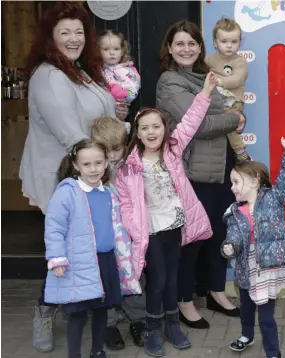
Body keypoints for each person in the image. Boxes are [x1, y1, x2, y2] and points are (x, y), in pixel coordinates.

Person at [21, 2, 126, 352]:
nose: (73, 38)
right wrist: (105, 156)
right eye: (64, 32)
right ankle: (45, 311)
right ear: (50, 37)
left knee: (89, 249)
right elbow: (70, 134)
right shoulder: (49, 76)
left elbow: (103, 115)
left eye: (79, 32)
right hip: (65, 180)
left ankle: (96, 311)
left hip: (93, 175)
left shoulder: (81, 71)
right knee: (66, 250)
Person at [116, 73, 218, 356]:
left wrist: (206, 91)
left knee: (172, 277)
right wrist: (134, 227)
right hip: (149, 230)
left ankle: (173, 324)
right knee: (158, 279)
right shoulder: (129, 166)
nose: (151, 132)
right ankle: (151, 328)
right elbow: (125, 203)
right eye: (144, 127)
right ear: (136, 132)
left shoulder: (172, 151)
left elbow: (191, 121)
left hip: (174, 224)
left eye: (156, 126)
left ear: (164, 128)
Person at [156, 20, 245, 329]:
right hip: (192, 172)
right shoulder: (169, 81)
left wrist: (225, 117)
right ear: (169, 48)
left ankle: (216, 291)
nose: (186, 49)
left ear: (200, 47)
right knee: (191, 239)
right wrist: (233, 119)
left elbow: (212, 118)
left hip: (221, 166)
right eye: (179, 43)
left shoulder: (205, 75)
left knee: (220, 235)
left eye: (192, 43)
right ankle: (184, 300)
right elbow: (201, 126)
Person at [44, 139, 140, 358]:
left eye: (98, 162)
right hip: (79, 263)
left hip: (105, 261)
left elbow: (118, 227)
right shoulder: (67, 193)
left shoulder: (110, 193)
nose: (93, 168)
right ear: (76, 165)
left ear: (106, 163)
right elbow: (54, 227)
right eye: (86, 164)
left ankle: (97, 351)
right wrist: (56, 258)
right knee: (77, 315)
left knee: (101, 311)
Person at [221, 138, 285, 358]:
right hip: (247, 266)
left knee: (265, 316)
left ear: (255, 181)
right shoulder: (234, 211)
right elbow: (233, 236)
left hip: (268, 267)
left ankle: (273, 352)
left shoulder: (274, 199)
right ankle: (247, 335)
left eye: (236, 182)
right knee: (245, 306)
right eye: (232, 183)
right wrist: (229, 246)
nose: (232, 187)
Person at [90, 116, 147, 349]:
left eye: (117, 149)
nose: (113, 155)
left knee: (134, 272)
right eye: (107, 150)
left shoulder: (131, 165)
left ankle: (139, 319)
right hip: (103, 236)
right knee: (105, 277)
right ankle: (108, 323)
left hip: (129, 234)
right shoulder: (92, 170)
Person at [205, 17, 251, 162]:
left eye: (234, 42)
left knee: (227, 122)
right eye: (224, 41)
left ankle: (240, 150)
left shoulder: (240, 62)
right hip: (214, 101)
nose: (229, 46)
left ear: (239, 42)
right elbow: (200, 73)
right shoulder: (209, 60)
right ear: (215, 42)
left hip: (233, 102)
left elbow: (237, 79)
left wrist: (220, 81)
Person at [99, 30, 141, 105]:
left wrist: (122, 95)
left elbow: (133, 88)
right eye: (106, 49)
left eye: (116, 49)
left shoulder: (125, 70)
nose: (112, 53)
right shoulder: (97, 70)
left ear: (122, 51)